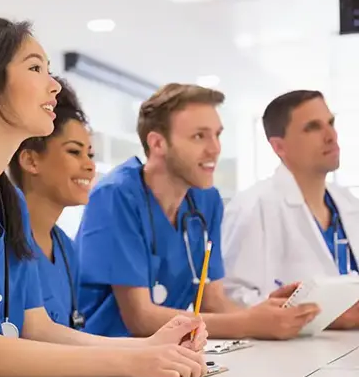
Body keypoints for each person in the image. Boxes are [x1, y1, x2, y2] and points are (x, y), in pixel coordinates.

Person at [0, 18, 209, 377]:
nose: (54, 87)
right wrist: (131, 363)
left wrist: (145, 348)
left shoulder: (7, 197)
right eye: (35, 68)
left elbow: (37, 327)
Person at [75, 83, 321, 340]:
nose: (215, 148)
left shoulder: (206, 200)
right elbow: (140, 317)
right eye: (199, 136)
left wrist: (268, 316)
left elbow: (213, 301)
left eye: (217, 135)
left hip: (164, 355)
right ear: (158, 143)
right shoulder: (116, 195)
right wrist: (249, 323)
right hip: (104, 360)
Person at [222, 90, 359, 329]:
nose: (330, 135)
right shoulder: (253, 207)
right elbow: (232, 298)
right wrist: (324, 314)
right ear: (279, 146)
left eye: (331, 123)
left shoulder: (347, 202)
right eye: (313, 127)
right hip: (295, 357)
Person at [7, 76, 95, 328]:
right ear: (31, 161)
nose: (89, 165)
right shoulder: (5, 242)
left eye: (90, 154)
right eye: (74, 152)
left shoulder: (66, 248)